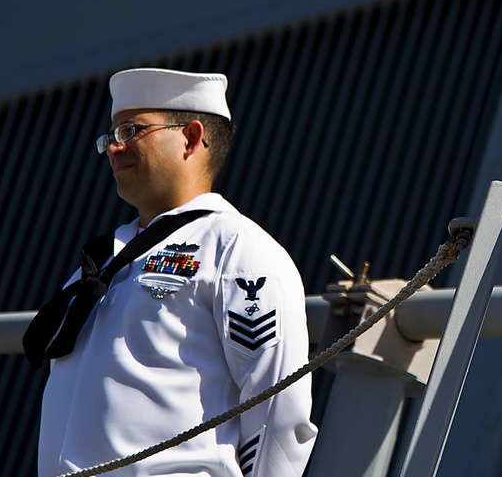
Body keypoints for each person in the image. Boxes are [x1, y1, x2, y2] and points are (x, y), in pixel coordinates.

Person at [26, 68, 317, 476]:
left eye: (131, 131)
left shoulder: (235, 248)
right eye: (111, 136)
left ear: (192, 137)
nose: (114, 148)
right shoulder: (101, 262)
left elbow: (278, 410)